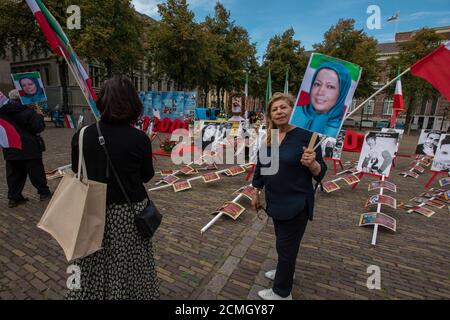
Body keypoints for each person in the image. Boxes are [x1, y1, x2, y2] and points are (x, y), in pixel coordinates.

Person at [67, 76, 159, 300]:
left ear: (103, 102)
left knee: (89, 261)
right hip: (128, 214)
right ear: (132, 104)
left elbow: (76, 171)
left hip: (90, 210)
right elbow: (146, 176)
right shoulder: (139, 139)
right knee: (127, 263)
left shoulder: (82, 135)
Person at [251, 93, 327, 300]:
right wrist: (256, 190)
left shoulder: (307, 136)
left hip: (296, 203)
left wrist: (312, 163)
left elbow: (321, 172)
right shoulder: (271, 136)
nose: (279, 112)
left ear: (292, 110)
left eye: (283, 107)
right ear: (270, 115)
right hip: (275, 201)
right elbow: (262, 166)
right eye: (274, 109)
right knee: (283, 245)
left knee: (286, 247)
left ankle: (282, 292)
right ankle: (286, 272)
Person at [0, 90, 51, 208]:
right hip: (29, 148)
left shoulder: (2, 112)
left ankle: (14, 198)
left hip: (12, 147)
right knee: (36, 172)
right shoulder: (28, 111)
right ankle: (44, 192)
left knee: (14, 174)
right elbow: (37, 128)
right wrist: (39, 116)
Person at [290, 61, 351, 138]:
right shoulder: (292, 113)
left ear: (342, 93)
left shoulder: (340, 133)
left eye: (330, 87)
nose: (320, 92)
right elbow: (274, 141)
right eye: (317, 84)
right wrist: (275, 149)